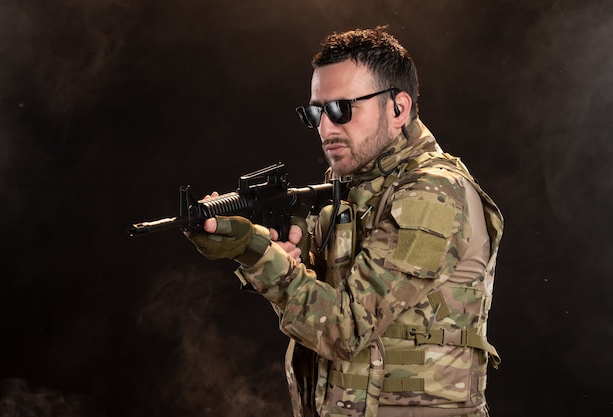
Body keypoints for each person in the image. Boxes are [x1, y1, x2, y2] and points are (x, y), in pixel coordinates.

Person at [187, 26, 503, 417]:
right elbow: (318, 316)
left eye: (341, 109)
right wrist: (293, 258)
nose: (325, 127)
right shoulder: (350, 186)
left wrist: (256, 253)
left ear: (398, 109)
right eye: (315, 112)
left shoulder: (432, 194)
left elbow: (345, 328)